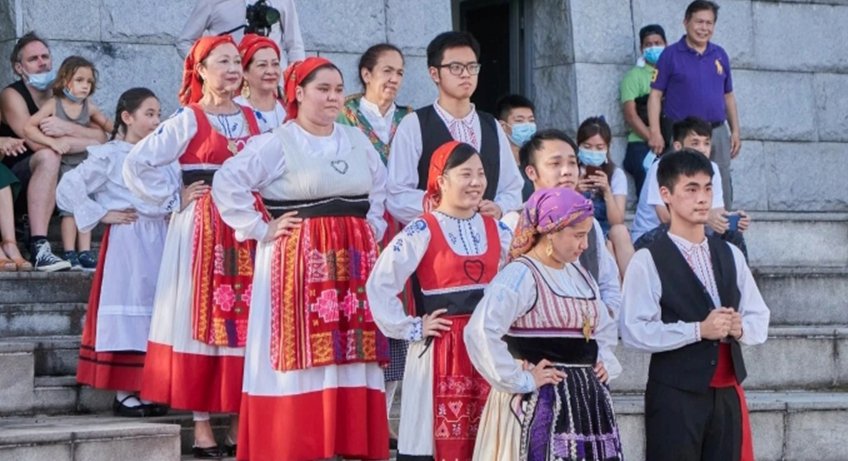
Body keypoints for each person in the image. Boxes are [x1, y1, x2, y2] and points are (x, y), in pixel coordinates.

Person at [212, 56, 390, 461]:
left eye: (338, 90)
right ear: (297, 93)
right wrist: (261, 229)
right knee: (301, 352)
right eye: (322, 89)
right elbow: (228, 181)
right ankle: (297, 444)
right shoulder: (278, 141)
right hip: (298, 263)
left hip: (353, 264)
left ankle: (348, 442)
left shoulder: (357, 140)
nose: (332, 97)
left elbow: (380, 191)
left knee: (352, 351)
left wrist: (371, 230)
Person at [123, 36, 262, 459]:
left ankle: (238, 424)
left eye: (238, 61)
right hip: (203, 229)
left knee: (246, 321)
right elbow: (137, 162)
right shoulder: (189, 119)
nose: (233, 68)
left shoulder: (257, 119)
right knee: (201, 319)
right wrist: (172, 199)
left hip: (247, 230)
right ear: (201, 69)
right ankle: (202, 427)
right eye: (223, 61)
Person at [367, 140, 514, 461]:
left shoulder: (497, 230)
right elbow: (379, 284)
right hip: (441, 347)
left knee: (488, 437)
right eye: (465, 174)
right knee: (433, 436)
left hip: (486, 346)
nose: (476, 182)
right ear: (441, 180)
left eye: (480, 173)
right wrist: (412, 326)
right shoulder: (422, 229)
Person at [620, 149, 770, 461]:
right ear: (666, 195)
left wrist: (740, 327)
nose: (702, 198)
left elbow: (759, 315)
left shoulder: (731, 253)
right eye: (691, 189)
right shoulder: (648, 258)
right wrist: (698, 330)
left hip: (727, 391)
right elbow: (634, 330)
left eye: (707, 188)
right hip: (675, 393)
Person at [466, 187, 623, 461]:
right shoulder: (520, 275)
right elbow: (480, 330)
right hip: (538, 401)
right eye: (577, 235)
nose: (584, 245)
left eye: (585, 234)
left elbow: (602, 325)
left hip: (585, 402)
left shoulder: (580, 275)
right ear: (551, 231)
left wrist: (603, 361)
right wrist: (521, 379)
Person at [58, 88, 169, 417]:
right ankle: (124, 391)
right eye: (149, 114)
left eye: (158, 114)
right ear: (127, 117)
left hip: (159, 238)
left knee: (155, 312)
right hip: (128, 242)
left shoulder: (160, 154)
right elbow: (69, 187)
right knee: (130, 309)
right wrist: (101, 214)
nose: (155, 121)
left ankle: (148, 386)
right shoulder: (110, 155)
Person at [336, 41, 413, 447]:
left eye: (400, 72)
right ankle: (351, 416)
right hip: (358, 226)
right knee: (359, 321)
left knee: (396, 323)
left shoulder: (410, 120)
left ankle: (384, 414)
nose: (394, 79)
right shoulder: (344, 116)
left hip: (400, 226)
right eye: (387, 71)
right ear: (366, 74)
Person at [387, 31, 523, 225]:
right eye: (456, 67)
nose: (466, 74)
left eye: (472, 67)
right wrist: (447, 206)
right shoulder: (414, 124)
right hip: (436, 241)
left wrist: (499, 207)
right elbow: (397, 195)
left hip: (486, 237)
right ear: (434, 73)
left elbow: (512, 187)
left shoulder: (491, 125)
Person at [1, 32, 102, 272]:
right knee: (50, 155)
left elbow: (102, 137)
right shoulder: (12, 95)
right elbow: (36, 142)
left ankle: (81, 251)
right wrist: (83, 138)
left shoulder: (66, 94)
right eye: (33, 59)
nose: (42, 62)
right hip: (22, 175)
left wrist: (66, 128)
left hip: (62, 175)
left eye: (45, 56)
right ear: (19, 67)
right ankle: (39, 245)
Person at [509, 129, 622, 318]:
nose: (567, 171)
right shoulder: (514, 222)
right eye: (555, 163)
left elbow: (608, 282)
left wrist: (604, 319)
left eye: (572, 162)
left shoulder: (589, 223)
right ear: (531, 172)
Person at [647, 0, 740, 210]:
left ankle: (722, 232)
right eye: (699, 22)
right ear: (686, 22)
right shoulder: (670, 55)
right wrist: (654, 131)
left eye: (709, 23)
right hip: (682, 133)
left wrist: (735, 131)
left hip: (716, 131)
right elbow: (655, 95)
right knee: (681, 179)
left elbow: (729, 96)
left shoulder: (720, 55)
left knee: (720, 179)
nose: (704, 28)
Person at [25, 55, 111, 271]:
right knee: (69, 210)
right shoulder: (54, 104)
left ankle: (84, 251)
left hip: (85, 167)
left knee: (86, 206)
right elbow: (29, 127)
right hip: (65, 166)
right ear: (65, 81)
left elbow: (107, 126)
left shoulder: (88, 107)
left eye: (89, 82)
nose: (85, 86)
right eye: (80, 80)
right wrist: (50, 143)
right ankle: (69, 251)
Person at [632, 117, 750, 256]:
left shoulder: (713, 169)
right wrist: (706, 218)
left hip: (696, 231)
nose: (702, 149)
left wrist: (730, 219)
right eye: (695, 143)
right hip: (653, 234)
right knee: (672, 233)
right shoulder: (662, 167)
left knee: (732, 234)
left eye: (706, 143)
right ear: (678, 147)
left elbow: (717, 209)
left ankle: (737, 277)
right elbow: (665, 217)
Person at [576, 116, 634, 274]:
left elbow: (617, 220)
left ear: (607, 148)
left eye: (599, 147)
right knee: (606, 246)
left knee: (620, 231)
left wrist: (607, 190)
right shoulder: (571, 171)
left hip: (607, 229)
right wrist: (577, 191)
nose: (593, 152)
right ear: (578, 146)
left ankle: (634, 286)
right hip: (580, 229)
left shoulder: (616, 174)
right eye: (587, 146)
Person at [177, 0, 305, 68]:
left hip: (273, 88)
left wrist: (294, 82)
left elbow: (294, 45)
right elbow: (185, 42)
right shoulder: (212, 2)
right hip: (230, 88)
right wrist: (210, 67)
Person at [620, 24, 667, 196]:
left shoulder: (672, 73)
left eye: (658, 42)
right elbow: (631, 114)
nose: (653, 47)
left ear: (666, 44)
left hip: (670, 139)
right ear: (641, 48)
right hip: (642, 142)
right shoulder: (634, 76)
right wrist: (653, 137)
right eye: (648, 44)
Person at [234, 34, 285, 133]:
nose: (271, 71)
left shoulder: (286, 110)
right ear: (244, 72)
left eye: (275, 64)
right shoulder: (234, 111)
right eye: (262, 65)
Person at [495, 94, 536, 201]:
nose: (527, 125)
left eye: (531, 120)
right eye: (519, 121)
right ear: (503, 126)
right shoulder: (495, 163)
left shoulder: (537, 161)